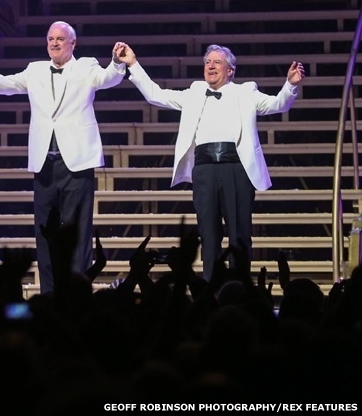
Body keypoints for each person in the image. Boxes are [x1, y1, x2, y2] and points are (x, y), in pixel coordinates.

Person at [0, 21, 126, 294]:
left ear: (73, 43)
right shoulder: (35, 70)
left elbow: (109, 77)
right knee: (45, 234)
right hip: (45, 163)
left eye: (60, 38)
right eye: (50, 39)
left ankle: (77, 292)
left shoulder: (86, 67)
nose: (54, 43)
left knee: (78, 233)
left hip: (77, 163)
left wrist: (117, 62)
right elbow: (5, 86)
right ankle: (49, 293)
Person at [115, 42, 304, 279]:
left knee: (239, 234)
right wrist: (132, 63)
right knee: (208, 233)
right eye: (207, 62)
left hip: (236, 168)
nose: (210, 66)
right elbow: (155, 95)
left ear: (230, 70)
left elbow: (278, 104)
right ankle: (210, 287)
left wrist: (290, 85)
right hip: (204, 170)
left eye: (217, 62)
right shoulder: (194, 92)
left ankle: (240, 287)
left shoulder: (246, 92)